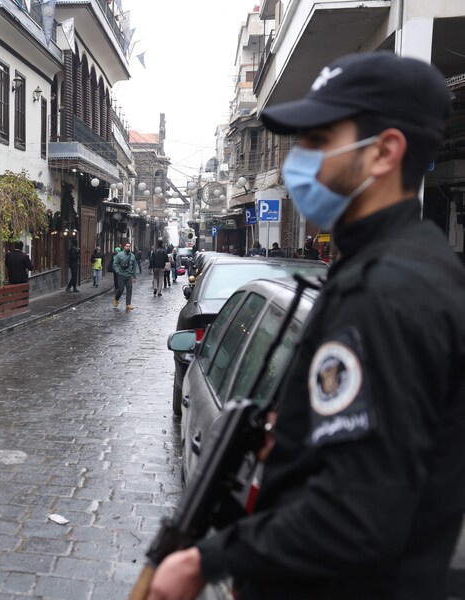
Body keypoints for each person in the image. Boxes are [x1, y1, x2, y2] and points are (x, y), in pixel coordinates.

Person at [149, 51, 465, 600]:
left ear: (385, 152)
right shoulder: (408, 265)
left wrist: (208, 559)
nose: (301, 160)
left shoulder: (383, 293)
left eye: (319, 141)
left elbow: (357, 516)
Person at [112, 240, 139, 310]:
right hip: (121, 275)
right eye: (127, 246)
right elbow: (115, 264)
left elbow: (134, 266)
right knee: (120, 289)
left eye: (129, 246)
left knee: (129, 289)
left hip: (129, 275)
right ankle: (116, 299)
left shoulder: (132, 256)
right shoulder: (119, 255)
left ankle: (128, 304)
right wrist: (118, 272)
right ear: (124, 247)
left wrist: (134, 276)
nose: (128, 247)